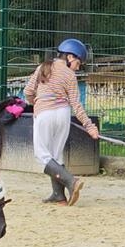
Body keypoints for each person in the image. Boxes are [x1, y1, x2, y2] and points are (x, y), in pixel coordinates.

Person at [23, 38, 100, 206]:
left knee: (42, 156)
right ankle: (59, 196)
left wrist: (35, 101)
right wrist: (89, 126)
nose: (78, 67)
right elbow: (76, 105)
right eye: (78, 63)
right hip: (63, 114)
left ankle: (71, 181)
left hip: (45, 114)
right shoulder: (70, 75)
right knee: (56, 156)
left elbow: (28, 91)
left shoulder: (43, 68)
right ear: (70, 57)